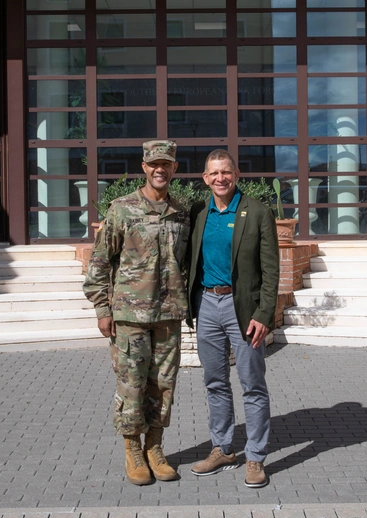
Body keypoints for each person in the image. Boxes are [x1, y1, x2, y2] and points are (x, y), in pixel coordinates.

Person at [82, 140, 191, 486]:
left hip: (168, 316)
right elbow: (99, 263)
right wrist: (102, 308)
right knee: (132, 386)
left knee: (163, 386)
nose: (160, 169)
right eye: (154, 163)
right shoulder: (122, 210)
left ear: (174, 168)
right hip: (129, 316)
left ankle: (155, 448)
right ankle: (132, 449)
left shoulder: (181, 212)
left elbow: (187, 263)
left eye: (167, 164)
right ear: (144, 167)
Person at [186, 149, 279, 488]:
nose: (220, 178)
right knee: (215, 382)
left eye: (226, 171)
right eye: (214, 173)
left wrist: (264, 314)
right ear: (205, 178)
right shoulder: (199, 212)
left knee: (252, 384)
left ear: (237, 174)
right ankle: (223, 448)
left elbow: (271, 270)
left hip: (244, 310)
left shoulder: (257, 212)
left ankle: (255, 457)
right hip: (208, 305)